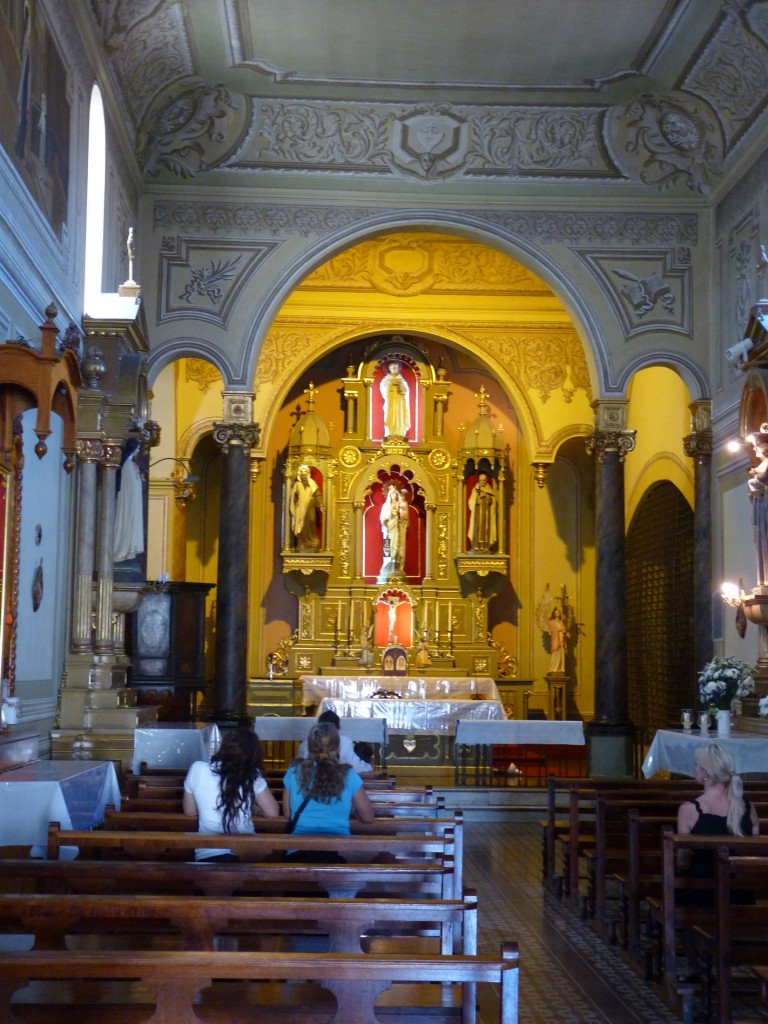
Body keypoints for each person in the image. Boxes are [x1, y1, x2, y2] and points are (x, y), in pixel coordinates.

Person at [676, 742, 758, 903]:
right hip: (739, 895)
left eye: (697, 765)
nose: (695, 768)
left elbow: (683, 861)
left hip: (701, 895)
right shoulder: (748, 808)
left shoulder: (689, 810)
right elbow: (752, 856)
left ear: (705, 773)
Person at [182, 727, 280, 861]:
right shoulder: (252, 774)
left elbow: (189, 811)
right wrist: (254, 809)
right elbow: (272, 812)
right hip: (245, 852)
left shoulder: (197, 769)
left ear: (224, 747)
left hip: (208, 852)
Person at [282, 720, 375, 859]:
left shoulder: (294, 771)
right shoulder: (348, 775)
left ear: (309, 745)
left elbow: (288, 814)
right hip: (339, 850)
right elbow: (368, 817)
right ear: (337, 746)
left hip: (298, 850)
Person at [297, 709, 373, 773]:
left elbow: (300, 769)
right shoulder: (344, 742)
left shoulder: (305, 744)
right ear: (338, 729)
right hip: (337, 783)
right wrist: (369, 767)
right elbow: (356, 767)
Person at [114, 439, 145, 563]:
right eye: (137, 448)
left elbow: (134, 483)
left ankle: (128, 548)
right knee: (127, 520)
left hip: (133, 501)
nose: (138, 450)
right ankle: (122, 549)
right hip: (128, 501)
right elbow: (130, 485)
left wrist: (139, 477)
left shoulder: (131, 464)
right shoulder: (127, 465)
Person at [748, 426, 768, 585]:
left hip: (765, 505)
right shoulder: (762, 465)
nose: (754, 449)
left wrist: (755, 477)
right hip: (760, 506)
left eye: (756, 445)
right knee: (761, 540)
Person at [290, 463, 321, 550]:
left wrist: (320, 505)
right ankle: (302, 543)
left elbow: (317, 495)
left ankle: (311, 541)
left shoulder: (312, 483)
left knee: (310, 522)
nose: (303, 473)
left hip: (310, 507)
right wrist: (295, 498)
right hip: (300, 508)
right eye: (302, 471)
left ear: (308, 473)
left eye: (305, 471)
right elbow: (293, 496)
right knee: (300, 524)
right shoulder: (297, 484)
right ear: (299, 473)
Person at [380, 485, 409, 574]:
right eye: (392, 494)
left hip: (397, 529)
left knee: (397, 547)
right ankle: (387, 568)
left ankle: (396, 567)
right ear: (389, 495)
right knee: (388, 548)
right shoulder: (385, 505)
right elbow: (382, 517)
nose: (394, 495)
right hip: (388, 529)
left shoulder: (400, 504)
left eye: (395, 494)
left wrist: (400, 515)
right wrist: (385, 521)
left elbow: (404, 516)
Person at [467, 472, 497, 552]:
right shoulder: (476, 489)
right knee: (477, 529)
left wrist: (487, 497)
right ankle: (476, 545)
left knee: (486, 529)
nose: (482, 482)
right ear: (479, 481)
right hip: (477, 514)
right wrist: (478, 497)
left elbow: (493, 502)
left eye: (484, 481)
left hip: (486, 514)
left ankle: (485, 546)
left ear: (486, 481)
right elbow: (471, 502)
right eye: (481, 480)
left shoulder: (489, 490)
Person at [380, 360, 410, 438]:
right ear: (389, 369)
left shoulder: (401, 379)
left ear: (398, 368)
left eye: (396, 367)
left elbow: (406, 391)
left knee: (399, 417)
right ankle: (389, 433)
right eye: (392, 368)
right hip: (390, 401)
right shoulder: (386, 379)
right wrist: (391, 385)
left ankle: (400, 433)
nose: (394, 369)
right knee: (390, 416)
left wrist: (399, 386)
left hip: (400, 402)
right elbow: (383, 389)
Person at [548, 607, 567, 674]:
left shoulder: (561, 622)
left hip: (561, 639)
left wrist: (563, 630)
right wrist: (558, 630)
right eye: (556, 613)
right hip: (555, 639)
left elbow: (564, 630)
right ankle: (554, 667)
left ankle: (561, 668)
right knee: (555, 653)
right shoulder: (552, 622)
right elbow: (550, 631)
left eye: (558, 613)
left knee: (561, 654)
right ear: (554, 614)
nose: (557, 614)